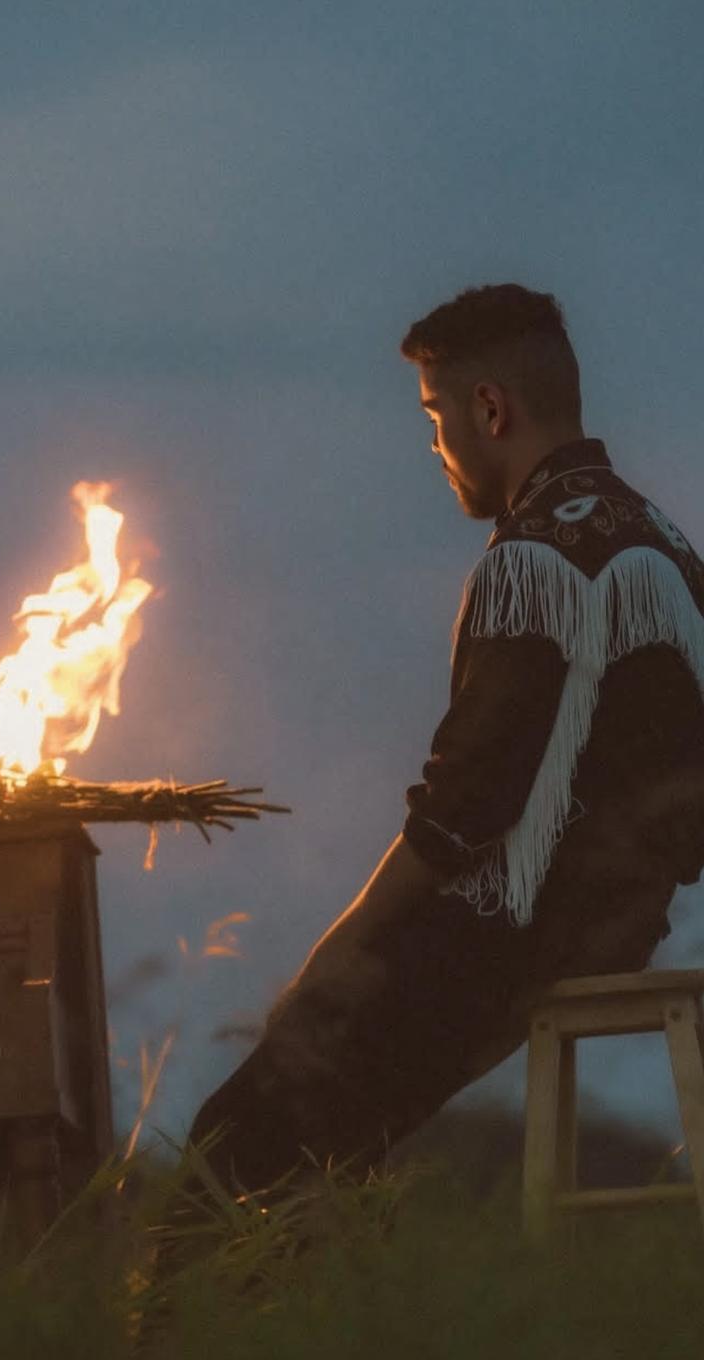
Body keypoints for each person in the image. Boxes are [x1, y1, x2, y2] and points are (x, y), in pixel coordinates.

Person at [181, 282, 704, 1197]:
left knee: (233, 1145)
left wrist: (335, 963)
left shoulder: (531, 562)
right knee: (317, 1154)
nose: (435, 447)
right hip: (623, 923)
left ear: (489, 408)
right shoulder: (670, 548)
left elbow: (461, 814)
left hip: (507, 944)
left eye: (435, 416)